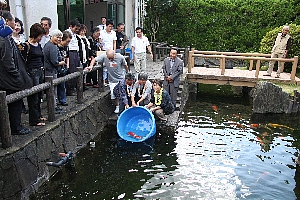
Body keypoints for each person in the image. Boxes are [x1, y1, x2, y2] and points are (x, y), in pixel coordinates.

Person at [0, 11, 33, 135]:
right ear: (7, 22)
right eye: (14, 21)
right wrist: (17, 75)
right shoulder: (5, 37)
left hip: (7, 77)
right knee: (15, 104)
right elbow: (7, 60)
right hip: (9, 78)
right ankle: (16, 127)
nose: (15, 23)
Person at [86, 49, 129, 114]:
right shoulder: (104, 56)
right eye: (109, 58)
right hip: (112, 79)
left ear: (114, 54)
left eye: (112, 58)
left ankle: (123, 106)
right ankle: (117, 106)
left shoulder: (120, 57)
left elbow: (125, 65)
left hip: (120, 78)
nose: (110, 59)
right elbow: (94, 59)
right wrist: (91, 66)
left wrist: (128, 72)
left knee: (122, 93)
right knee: (113, 94)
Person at [26, 23, 46, 126]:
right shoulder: (27, 45)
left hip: (40, 70)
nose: (40, 38)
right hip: (32, 72)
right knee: (33, 96)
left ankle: (38, 115)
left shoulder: (38, 45)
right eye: (40, 36)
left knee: (39, 95)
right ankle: (34, 120)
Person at [44, 29, 66, 114]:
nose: (59, 39)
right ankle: (53, 107)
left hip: (51, 70)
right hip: (51, 71)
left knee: (53, 90)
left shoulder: (51, 45)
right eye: (58, 37)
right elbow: (54, 61)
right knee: (52, 90)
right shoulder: (51, 46)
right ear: (52, 37)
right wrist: (62, 62)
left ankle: (54, 106)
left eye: (60, 38)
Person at [12, 17, 27, 114]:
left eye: (19, 25)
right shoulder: (10, 38)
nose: (17, 27)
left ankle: (22, 104)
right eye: (15, 25)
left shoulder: (22, 38)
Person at [57, 30, 72, 106]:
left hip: (64, 66)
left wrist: (67, 65)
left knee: (63, 84)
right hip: (58, 67)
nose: (68, 43)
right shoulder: (57, 47)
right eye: (67, 41)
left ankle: (63, 99)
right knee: (59, 84)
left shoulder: (66, 47)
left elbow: (67, 56)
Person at [65, 19, 80, 96]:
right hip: (70, 52)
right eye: (75, 28)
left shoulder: (74, 34)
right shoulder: (67, 33)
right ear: (71, 26)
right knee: (71, 70)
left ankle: (74, 87)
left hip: (75, 52)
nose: (76, 30)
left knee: (77, 69)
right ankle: (69, 89)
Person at [100, 19, 117, 86]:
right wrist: (102, 48)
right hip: (104, 50)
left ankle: (110, 79)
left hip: (111, 50)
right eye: (109, 26)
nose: (110, 28)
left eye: (111, 27)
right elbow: (100, 41)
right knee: (104, 67)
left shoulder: (113, 33)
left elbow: (114, 42)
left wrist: (114, 51)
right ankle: (104, 80)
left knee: (112, 65)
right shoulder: (102, 32)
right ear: (106, 26)